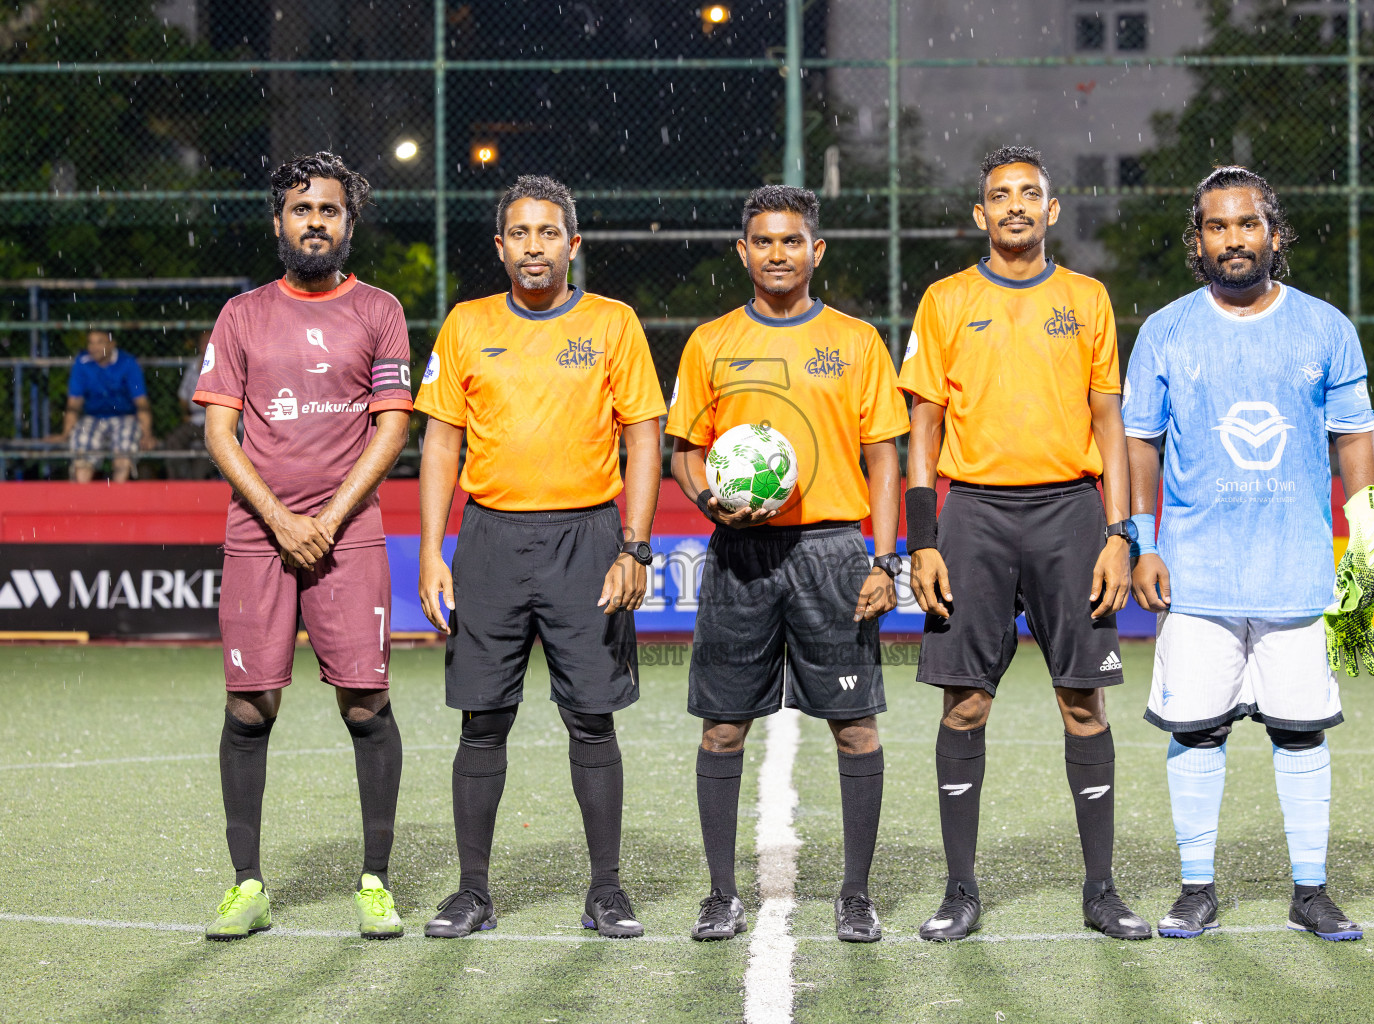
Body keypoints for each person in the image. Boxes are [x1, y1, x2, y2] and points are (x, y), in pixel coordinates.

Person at [1123, 166, 1374, 942]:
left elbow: (1356, 440)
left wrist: (1365, 553)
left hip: (1296, 573)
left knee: (1300, 731)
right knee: (1196, 729)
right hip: (1197, 575)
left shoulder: (1325, 327)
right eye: (1216, 226)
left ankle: (1311, 892)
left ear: (1274, 231)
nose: (1233, 239)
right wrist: (1143, 542)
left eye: (1246, 224)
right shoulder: (1166, 330)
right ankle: (1196, 887)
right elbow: (1141, 443)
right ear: (1196, 241)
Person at [899, 145, 1145, 942]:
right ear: (980, 214)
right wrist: (922, 539)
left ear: (1052, 210)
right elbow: (923, 429)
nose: (1014, 206)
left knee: (1084, 701)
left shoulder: (1088, 298)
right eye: (999, 195)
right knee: (966, 702)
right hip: (971, 515)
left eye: (1028, 194)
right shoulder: (943, 300)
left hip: (1071, 516)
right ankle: (960, 890)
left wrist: (1121, 533)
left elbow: (1111, 424)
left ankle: (1101, 891)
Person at [415, 175, 665, 940]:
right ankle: (472, 893)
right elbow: (441, 440)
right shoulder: (465, 324)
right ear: (499, 247)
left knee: (592, 720)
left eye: (548, 232)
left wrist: (635, 546)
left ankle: (607, 891)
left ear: (573, 244)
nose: (533, 246)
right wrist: (432, 548)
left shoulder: (613, 323)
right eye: (519, 233)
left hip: (588, 539)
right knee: (481, 721)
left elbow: (644, 434)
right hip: (490, 539)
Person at [668, 185, 908, 943]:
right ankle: (719, 894)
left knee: (855, 728)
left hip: (834, 551)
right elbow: (684, 452)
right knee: (722, 729)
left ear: (817, 250)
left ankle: (857, 894)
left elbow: (884, 456)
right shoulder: (709, 343)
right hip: (741, 551)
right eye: (763, 242)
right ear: (743, 252)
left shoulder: (858, 341)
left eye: (792, 241)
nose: (778, 254)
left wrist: (884, 558)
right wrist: (710, 500)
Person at [194, 151, 413, 940]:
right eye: (300, 208)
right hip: (258, 533)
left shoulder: (380, 310)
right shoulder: (242, 314)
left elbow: (392, 425)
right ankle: (247, 886)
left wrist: (327, 515)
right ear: (278, 220)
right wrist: (282, 519)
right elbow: (222, 431)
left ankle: (376, 883)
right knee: (249, 708)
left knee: (365, 703)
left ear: (349, 224)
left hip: (350, 534)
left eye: (328, 210)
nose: (313, 221)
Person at [58, 329, 156, 482]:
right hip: (92, 418)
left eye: (100, 342)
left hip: (125, 417)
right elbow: (74, 404)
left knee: (123, 455)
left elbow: (141, 403)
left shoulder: (128, 362)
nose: (94, 347)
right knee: (82, 451)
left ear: (112, 344)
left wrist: (147, 434)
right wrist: (65, 434)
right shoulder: (82, 362)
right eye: (91, 342)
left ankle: (118, 500)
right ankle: (80, 502)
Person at [164, 331, 214, 479]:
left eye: (209, 341)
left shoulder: (226, 363)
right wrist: (186, 414)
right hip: (195, 420)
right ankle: (179, 483)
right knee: (173, 442)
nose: (205, 345)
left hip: (218, 421)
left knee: (211, 448)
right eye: (203, 341)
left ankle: (195, 484)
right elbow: (183, 395)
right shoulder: (193, 366)